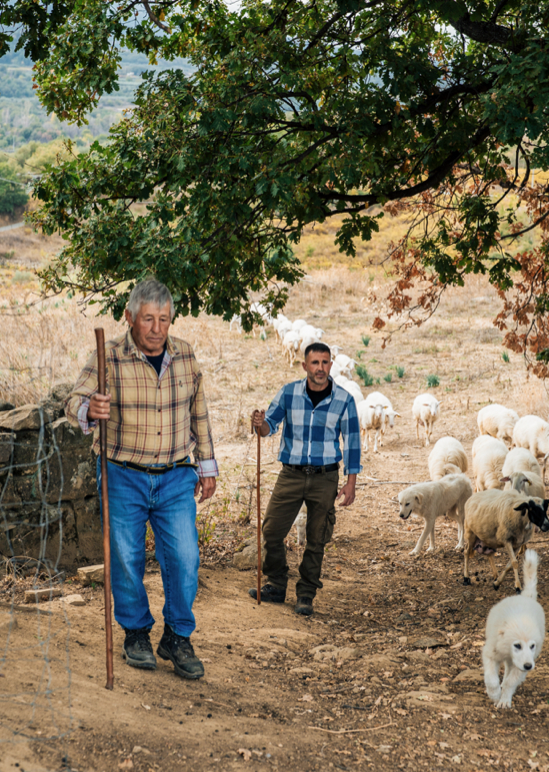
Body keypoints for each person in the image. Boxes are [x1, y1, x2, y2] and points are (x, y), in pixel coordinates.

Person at [66, 279, 217, 679]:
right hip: (122, 474)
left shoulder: (185, 355)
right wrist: (90, 408)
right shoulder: (109, 356)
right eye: (147, 319)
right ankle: (136, 633)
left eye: (163, 319)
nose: (156, 329)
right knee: (127, 559)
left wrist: (207, 464)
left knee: (185, 558)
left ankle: (177, 636)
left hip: (175, 476)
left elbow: (198, 411)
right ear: (130, 317)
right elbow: (74, 399)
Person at [250, 343, 361, 616]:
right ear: (305, 366)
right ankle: (276, 584)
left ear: (331, 366)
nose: (320, 368)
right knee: (272, 530)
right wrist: (258, 423)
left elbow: (352, 444)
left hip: (325, 477)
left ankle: (306, 594)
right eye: (315, 363)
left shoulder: (344, 400)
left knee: (317, 538)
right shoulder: (288, 394)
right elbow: (268, 428)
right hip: (291, 474)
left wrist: (350, 483)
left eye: (325, 362)